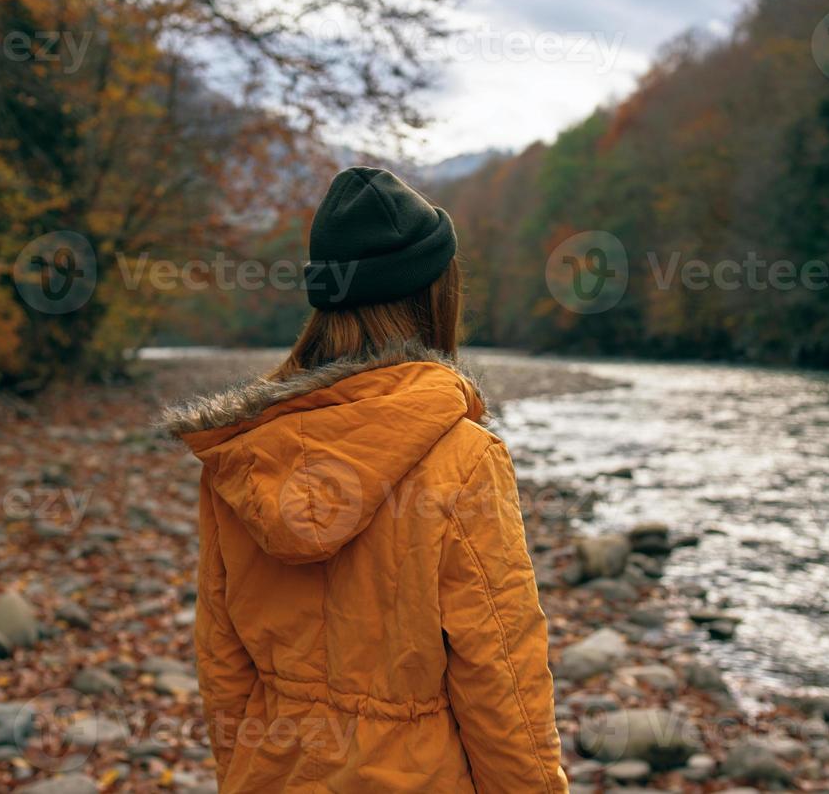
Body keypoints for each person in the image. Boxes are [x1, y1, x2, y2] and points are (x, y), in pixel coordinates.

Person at [164, 166, 568, 793]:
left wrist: (243, 773)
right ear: (437, 293)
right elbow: (503, 679)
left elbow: (222, 657)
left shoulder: (245, 452)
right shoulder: (463, 457)